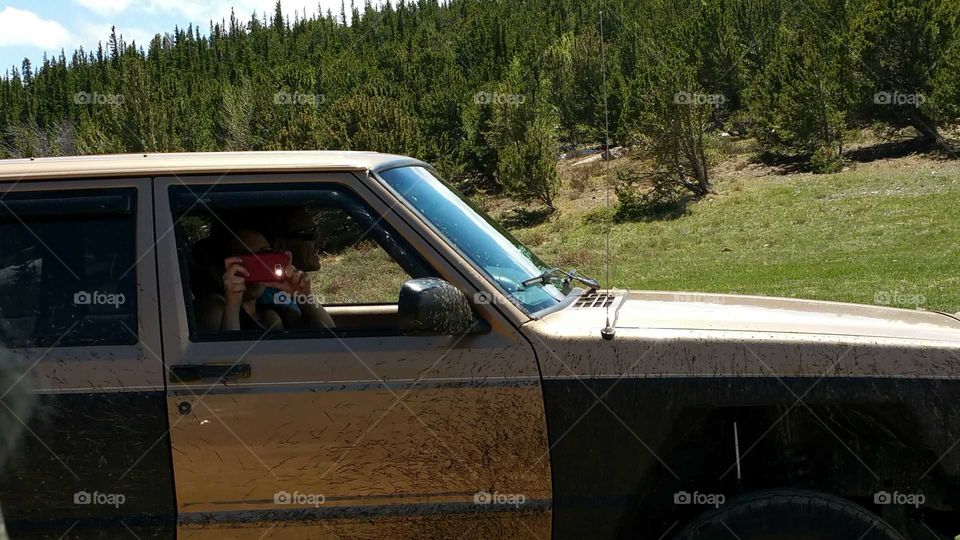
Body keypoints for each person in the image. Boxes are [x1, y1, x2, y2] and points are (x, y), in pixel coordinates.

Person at [196, 225, 334, 333]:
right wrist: (232, 305)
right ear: (224, 265)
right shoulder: (215, 305)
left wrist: (304, 296)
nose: (258, 265)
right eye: (246, 258)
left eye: (264, 254)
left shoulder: (271, 311)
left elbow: (329, 336)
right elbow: (224, 360)